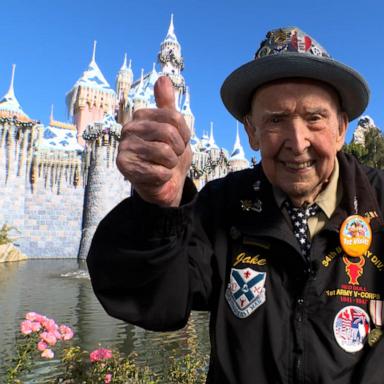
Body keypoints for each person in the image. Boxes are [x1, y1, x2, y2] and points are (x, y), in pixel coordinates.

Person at [87, 27, 384, 383]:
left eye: (314, 118)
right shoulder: (222, 205)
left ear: (341, 129)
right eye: (275, 120)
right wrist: (155, 210)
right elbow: (152, 300)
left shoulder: (379, 200)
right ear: (252, 133)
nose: (297, 141)